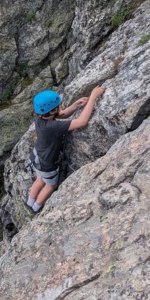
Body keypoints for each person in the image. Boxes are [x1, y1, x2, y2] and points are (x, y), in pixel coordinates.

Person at [26, 86, 106, 214]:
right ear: (51, 111)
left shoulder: (40, 118)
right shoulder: (52, 126)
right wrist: (93, 97)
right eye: (58, 105)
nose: (60, 106)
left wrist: (75, 106)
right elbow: (82, 121)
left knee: (39, 179)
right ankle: (36, 207)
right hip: (47, 164)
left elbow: (61, 114)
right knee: (50, 186)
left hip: (37, 157)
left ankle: (29, 201)